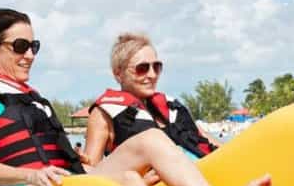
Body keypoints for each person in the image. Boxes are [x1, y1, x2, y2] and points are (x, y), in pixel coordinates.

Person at [0, 9, 271, 186]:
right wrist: (32, 176)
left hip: (67, 184)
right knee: (128, 181)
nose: (29, 54)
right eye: (20, 46)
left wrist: (80, 162)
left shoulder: (32, 99)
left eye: (34, 46)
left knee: (151, 140)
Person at [82, 32, 214, 165]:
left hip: (207, 171)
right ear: (118, 74)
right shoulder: (102, 115)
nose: (152, 75)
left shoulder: (171, 109)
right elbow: (93, 173)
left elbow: (211, 144)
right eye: (142, 68)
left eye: (156, 67)